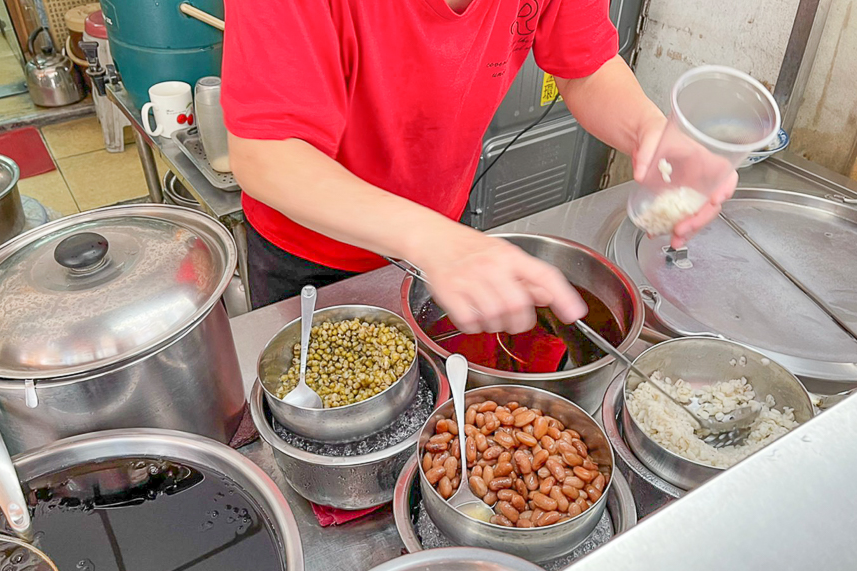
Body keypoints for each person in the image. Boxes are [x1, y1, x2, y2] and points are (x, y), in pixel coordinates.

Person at [221, 0, 735, 334]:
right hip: (310, 253)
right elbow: (268, 154)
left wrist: (649, 132)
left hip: (444, 230)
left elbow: (586, 65)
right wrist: (436, 241)